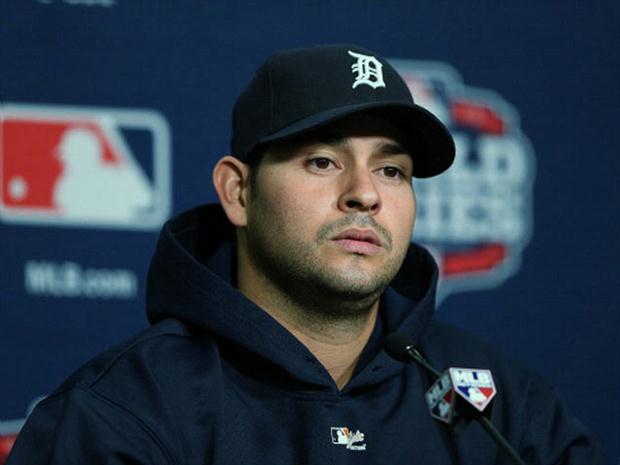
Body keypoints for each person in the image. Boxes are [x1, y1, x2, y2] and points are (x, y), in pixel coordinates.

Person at [6, 44, 602, 464]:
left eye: (392, 170)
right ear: (238, 192)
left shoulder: (503, 406)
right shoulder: (123, 412)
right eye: (322, 161)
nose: (365, 194)